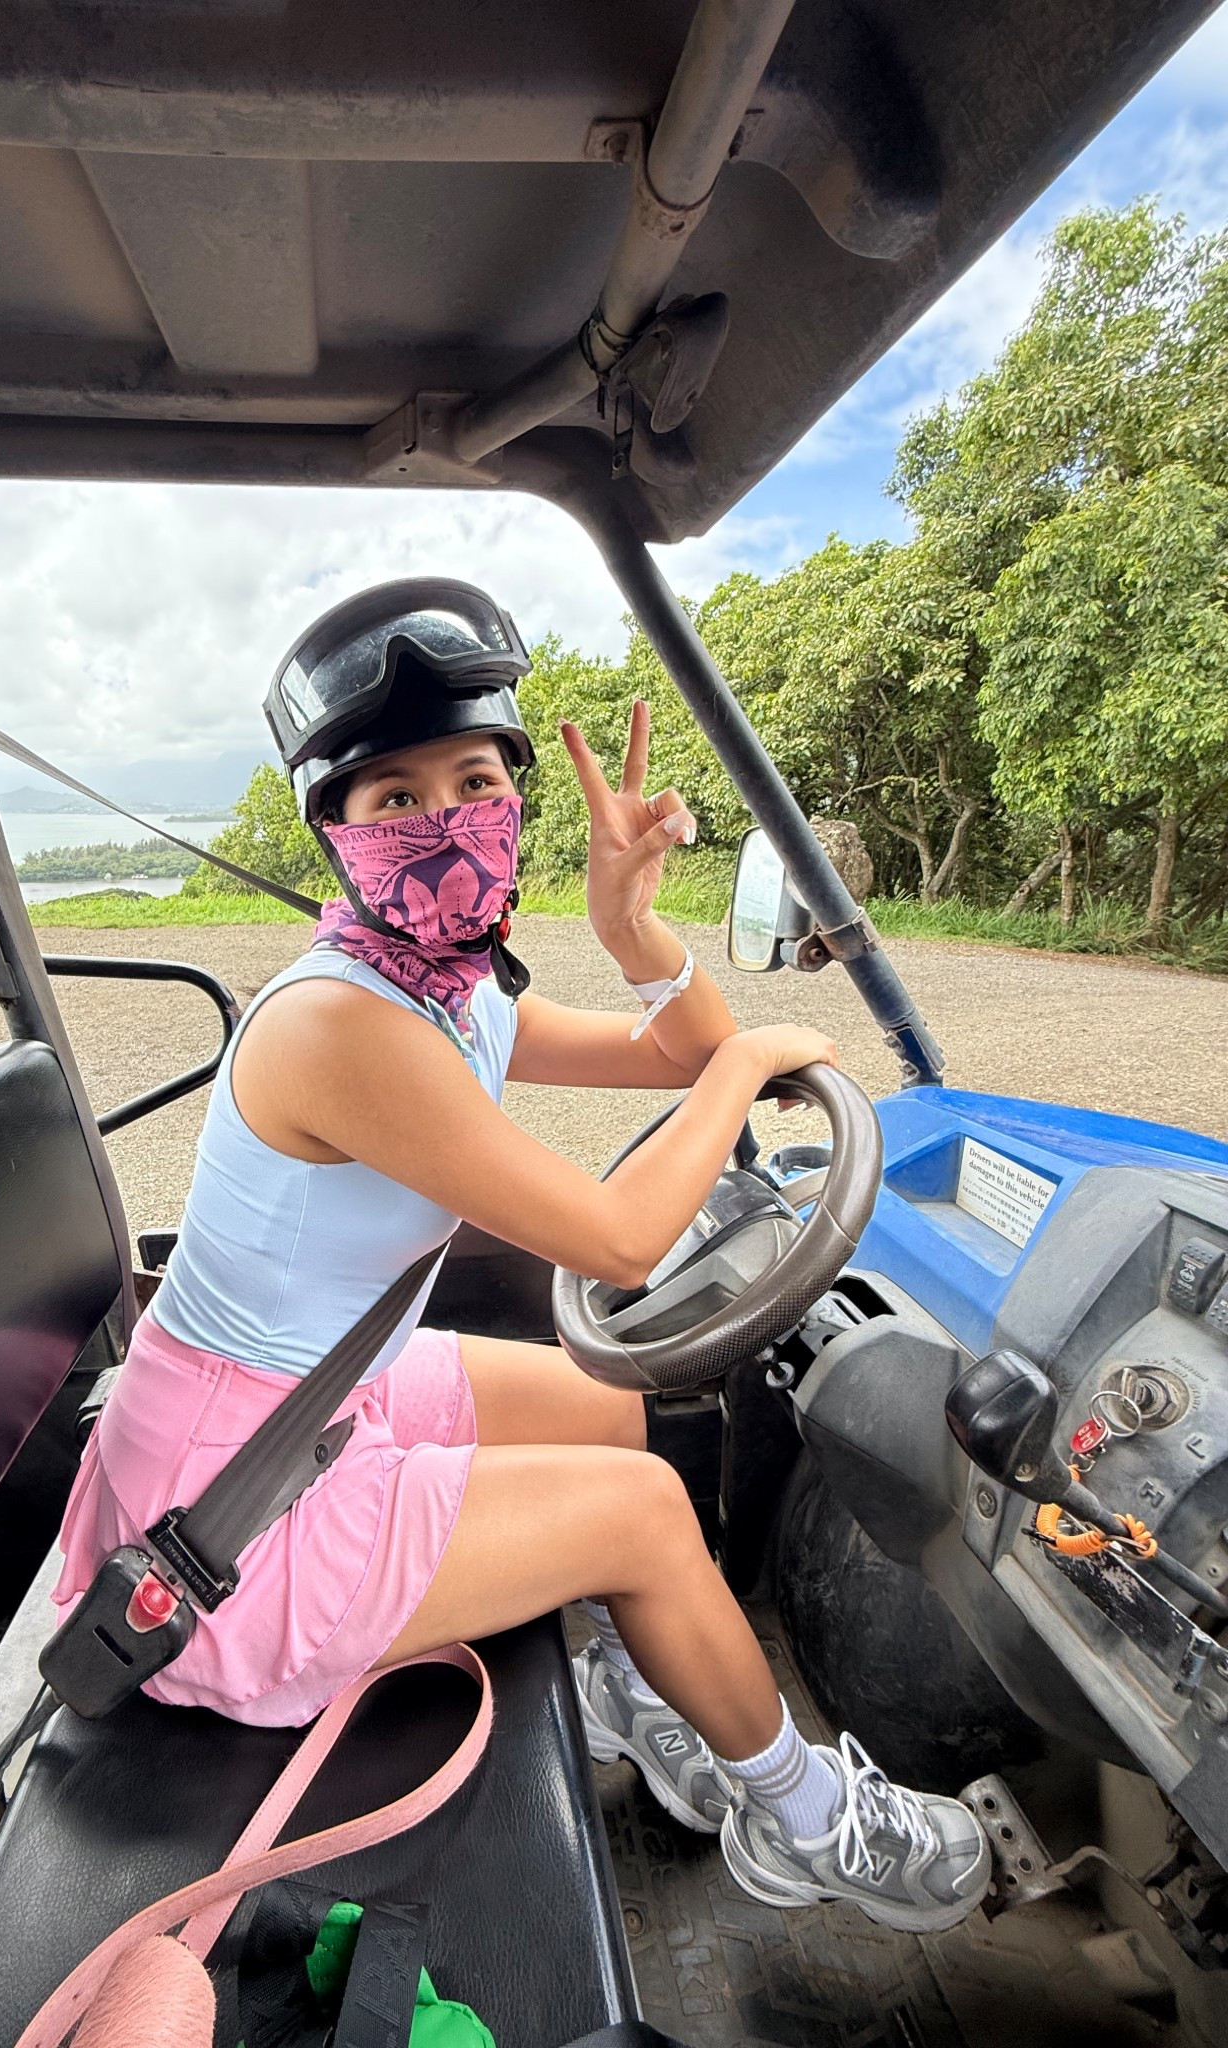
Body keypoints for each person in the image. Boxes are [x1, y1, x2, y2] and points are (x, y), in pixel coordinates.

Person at [53, 579, 990, 1932]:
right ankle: (804, 1818)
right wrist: (748, 1069)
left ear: (513, 799)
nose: (445, 820)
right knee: (648, 1514)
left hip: (321, 1399)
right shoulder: (343, 1027)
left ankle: (624, 1679)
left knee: (608, 1402)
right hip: (225, 1527)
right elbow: (619, 1233)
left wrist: (627, 924)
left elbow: (667, 1047)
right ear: (337, 834)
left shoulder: (455, 992)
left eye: (474, 779)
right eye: (396, 799)